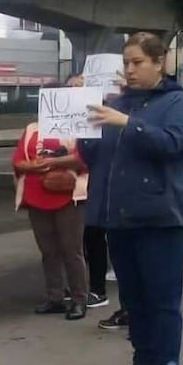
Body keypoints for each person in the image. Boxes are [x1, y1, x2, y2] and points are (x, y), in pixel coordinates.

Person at [80, 32, 183, 365]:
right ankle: (143, 363)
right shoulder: (118, 103)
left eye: (137, 62)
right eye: (126, 63)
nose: (130, 70)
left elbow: (172, 144)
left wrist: (127, 122)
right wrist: (83, 125)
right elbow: (94, 156)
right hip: (120, 216)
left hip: (160, 218)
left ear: (159, 63)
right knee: (134, 298)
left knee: (161, 299)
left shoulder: (177, 103)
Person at [11, 83, 89, 320]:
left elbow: (84, 159)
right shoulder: (32, 129)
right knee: (48, 250)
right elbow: (17, 161)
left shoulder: (78, 127)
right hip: (36, 195)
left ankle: (79, 299)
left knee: (71, 250)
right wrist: (33, 165)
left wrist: (53, 162)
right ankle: (55, 296)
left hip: (67, 196)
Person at [66, 73, 116, 314]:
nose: (76, 91)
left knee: (100, 237)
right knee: (84, 238)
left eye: (81, 87)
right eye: (71, 87)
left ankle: (99, 289)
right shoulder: (61, 119)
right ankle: (84, 287)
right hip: (80, 187)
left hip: (104, 186)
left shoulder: (109, 117)